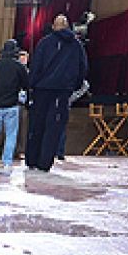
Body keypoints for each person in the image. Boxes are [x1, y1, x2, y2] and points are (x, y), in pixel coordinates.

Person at [25, 15, 88, 172]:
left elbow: (36, 66)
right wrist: (75, 85)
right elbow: (83, 68)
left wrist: (31, 86)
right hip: (62, 91)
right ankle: (44, 163)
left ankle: (32, 159)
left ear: (53, 26)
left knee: (37, 125)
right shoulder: (76, 45)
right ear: (67, 27)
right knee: (54, 127)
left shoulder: (44, 43)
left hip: (42, 90)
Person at [0, 39, 30, 169]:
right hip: (11, 105)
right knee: (11, 134)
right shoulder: (19, 67)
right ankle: (7, 160)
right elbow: (26, 85)